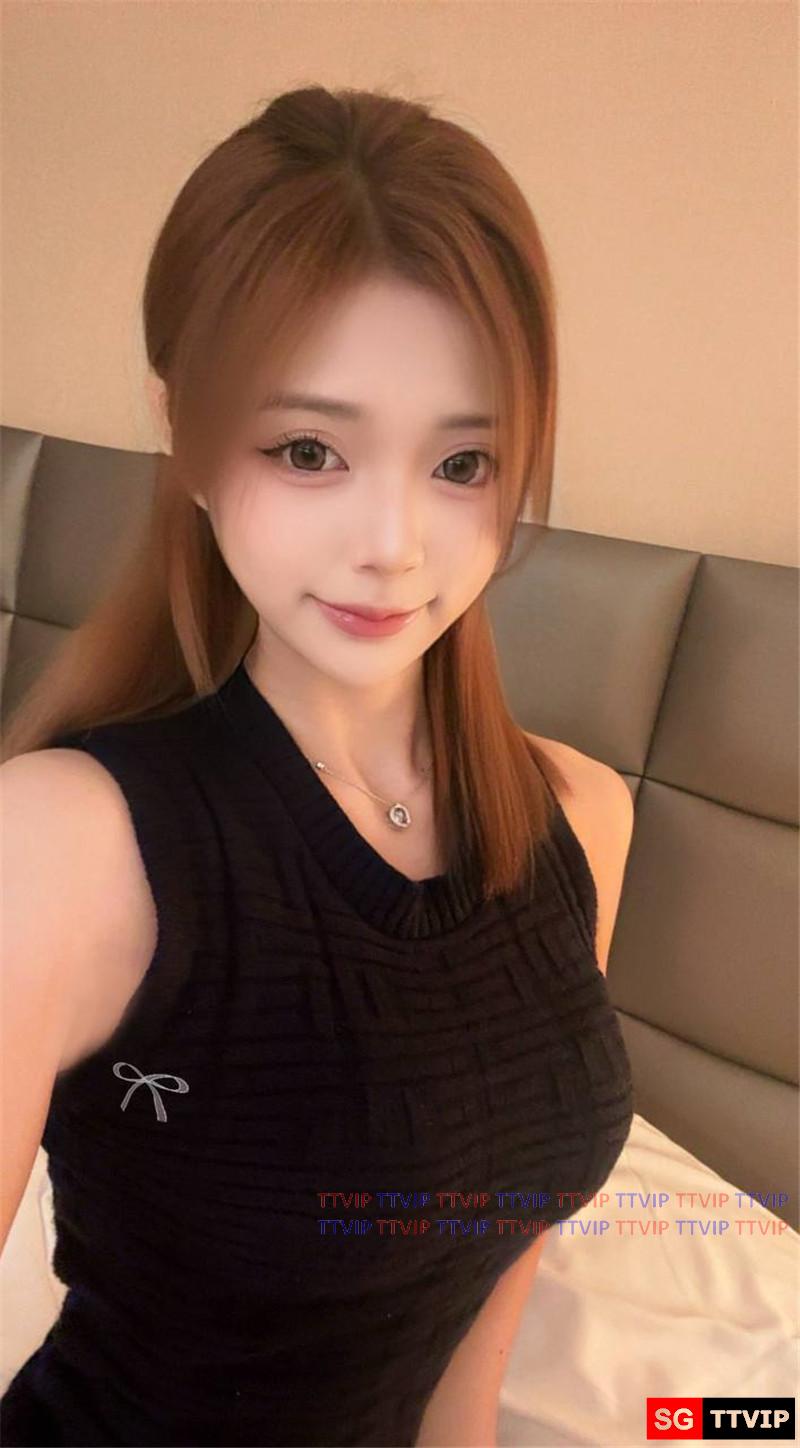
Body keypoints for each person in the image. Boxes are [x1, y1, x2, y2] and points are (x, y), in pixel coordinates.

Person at [0, 84, 635, 1447]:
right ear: (184, 432)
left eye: (464, 461)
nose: (393, 546)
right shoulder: (57, 848)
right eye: (309, 449)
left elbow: (476, 1328)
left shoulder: (583, 819)